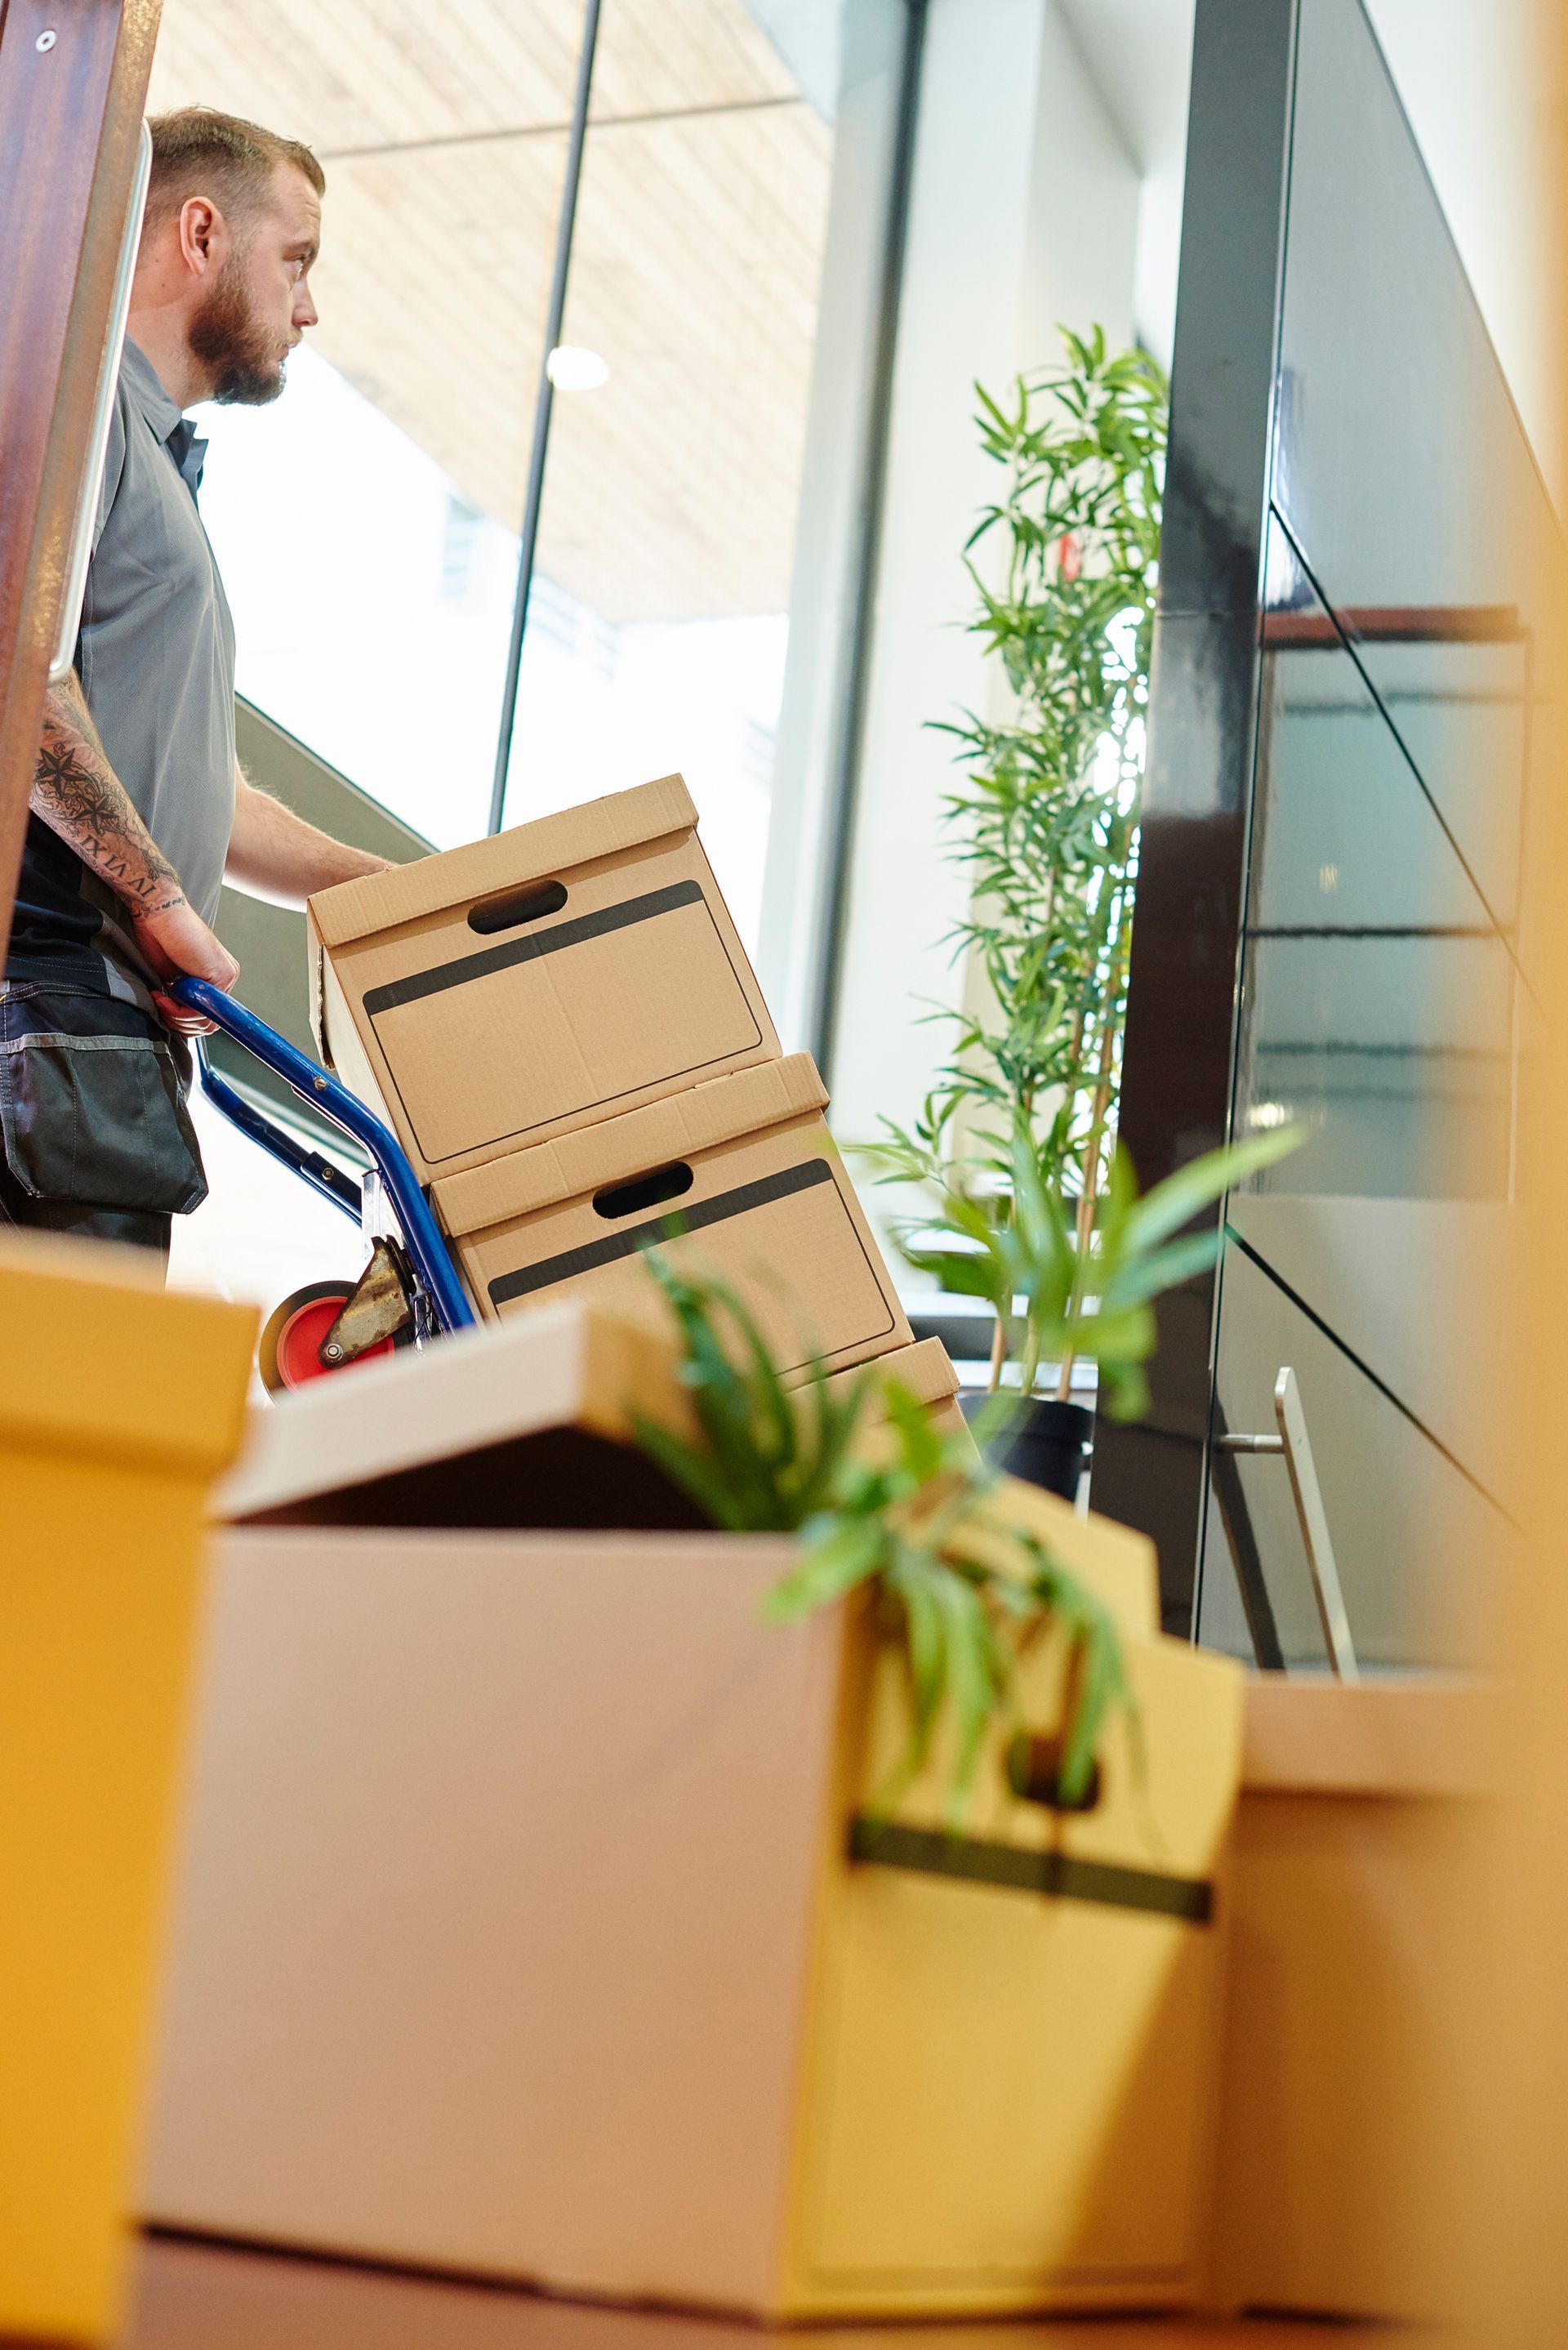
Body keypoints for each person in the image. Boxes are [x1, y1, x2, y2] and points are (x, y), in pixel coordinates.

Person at [3, 107, 391, 1256]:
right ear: (202, 232)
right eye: (299, 260)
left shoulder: (157, 462)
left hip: (103, 1046)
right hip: (52, 1011)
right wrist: (160, 899)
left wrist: (394, 892)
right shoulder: (76, 418)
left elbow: (205, 796)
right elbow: (22, 681)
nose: (309, 306)